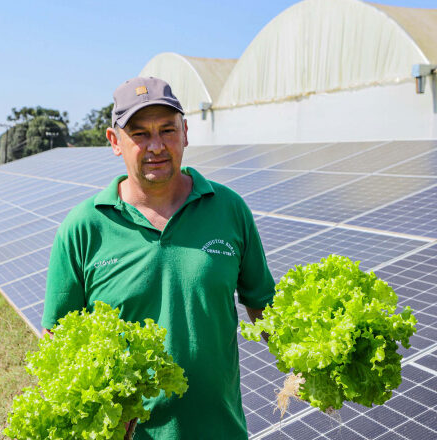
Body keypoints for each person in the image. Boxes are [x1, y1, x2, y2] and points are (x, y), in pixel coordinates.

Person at [41, 77, 275, 439]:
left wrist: (312, 356)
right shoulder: (84, 227)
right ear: (114, 141)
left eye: (167, 130)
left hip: (221, 430)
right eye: (139, 134)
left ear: (185, 132)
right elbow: (57, 341)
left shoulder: (229, 209)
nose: (156, 146)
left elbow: (263, 306)